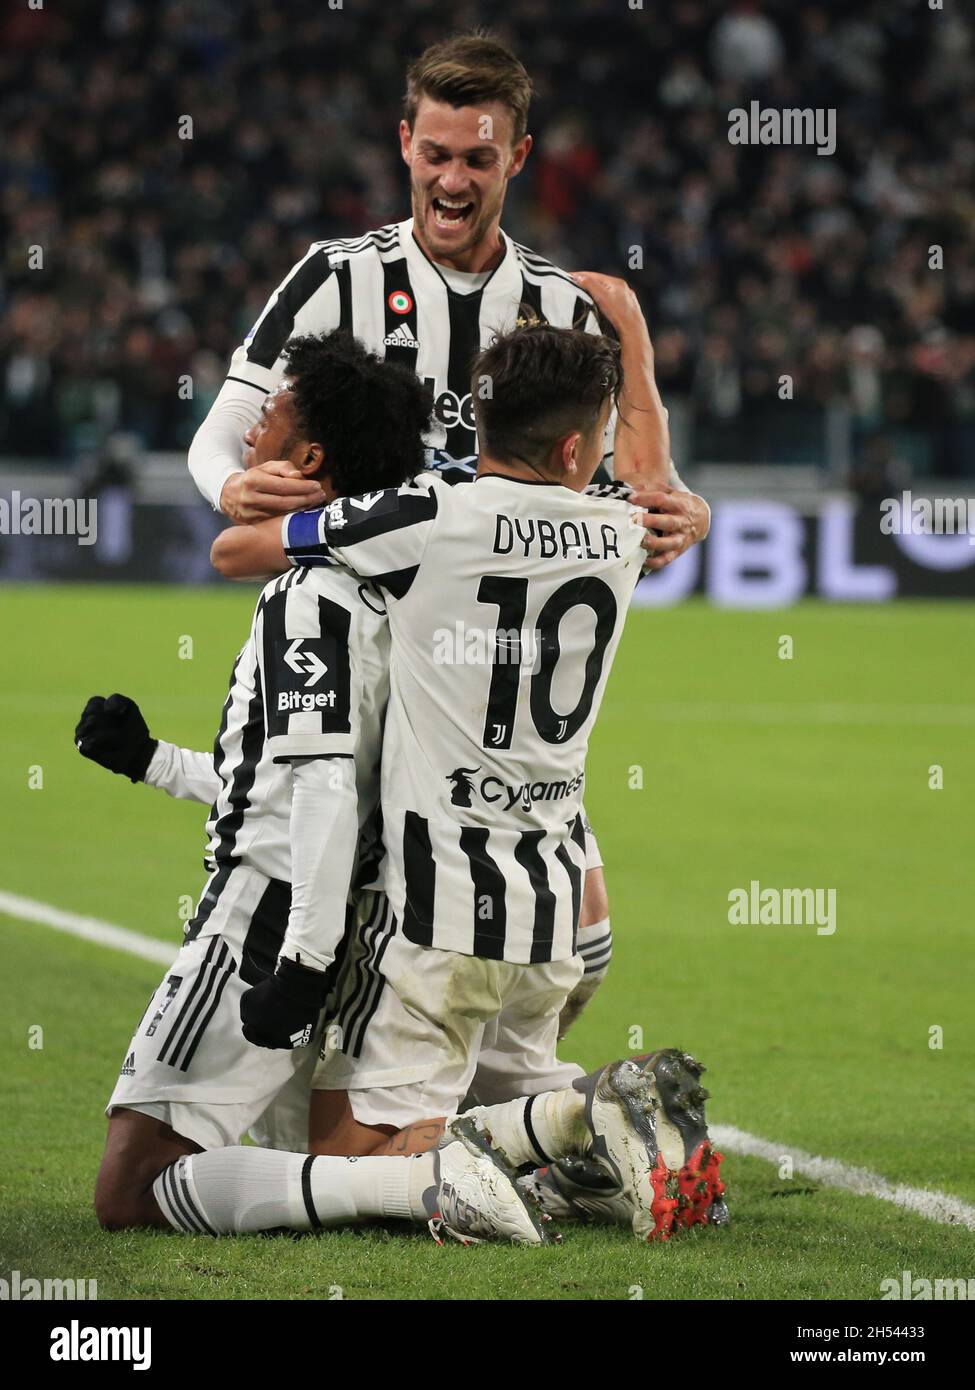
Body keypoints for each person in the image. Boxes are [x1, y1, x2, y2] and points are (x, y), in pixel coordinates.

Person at [188, 32, 713, 1031]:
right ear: (404, 145)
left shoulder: (563, 308)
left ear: (518, 158)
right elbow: (216, 437)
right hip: (347, 647)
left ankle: (484, 1121)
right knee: (326, 906)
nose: (452, 178)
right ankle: (359, 1120)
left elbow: (642, 496)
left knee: (581, 937)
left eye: (477, 157)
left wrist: (687, 504)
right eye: (435, 153)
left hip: (486, 690)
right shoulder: (332, 277)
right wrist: (232, 486)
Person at [209, 312, 725, 1242]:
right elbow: (658, 484)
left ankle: (584, 1118)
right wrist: (635, 350)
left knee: (338, 1170)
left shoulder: (424, 517)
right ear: (576, 445)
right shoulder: (619, 528)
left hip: (442, 908)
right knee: (510, 1079)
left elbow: (237, 552)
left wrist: (272, 496)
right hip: (553, 902)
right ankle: (599, 1148)